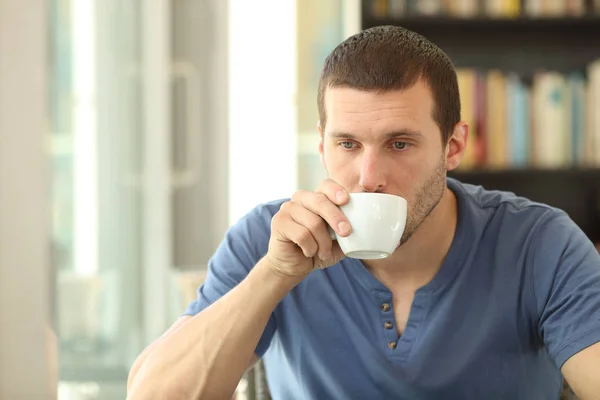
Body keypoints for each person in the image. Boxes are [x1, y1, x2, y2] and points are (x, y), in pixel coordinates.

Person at [126, 25, 600, 400]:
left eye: (399, 143)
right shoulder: (267, 238)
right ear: (321, 145)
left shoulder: (540, 243)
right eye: (347, 144)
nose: (368, 176)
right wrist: (273, 274)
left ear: (452, 145)